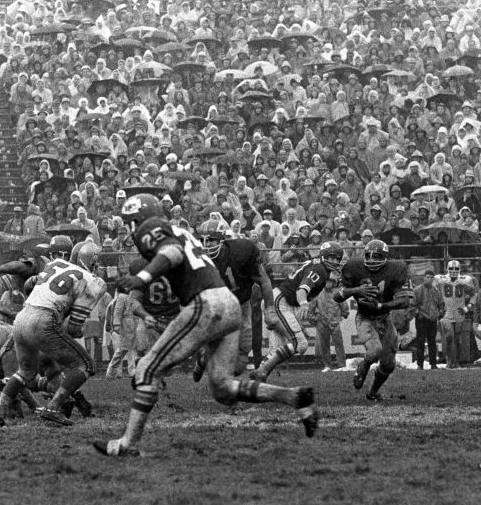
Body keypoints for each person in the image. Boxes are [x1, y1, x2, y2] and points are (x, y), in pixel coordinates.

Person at [94, 194, 317, 457]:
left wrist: (143, 277)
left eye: (131, 222)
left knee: (145, 368)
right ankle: (295, 397)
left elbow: (172, 253)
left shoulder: (151, 229)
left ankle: (127, 444)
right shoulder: (179, 231)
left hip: (206, 304)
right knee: (222, 388)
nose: (131, 229)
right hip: (229, 304)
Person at [0, 240, 108, 427]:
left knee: (25, 372)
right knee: (85, 365)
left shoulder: (54, 264)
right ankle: (53, 408)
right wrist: (77, 328)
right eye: (95, 262)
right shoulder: (93, 282)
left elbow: (29, 284)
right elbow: (74, 328)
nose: (97, 267)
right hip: (44, 320)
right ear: (90, 261)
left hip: (22, 317)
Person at [335, 239, 413, 401]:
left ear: (385, 258)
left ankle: (372, 393)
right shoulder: (354, 267)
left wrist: (381, 306)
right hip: (365, 318)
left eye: (376, 256)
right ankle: (362, 367)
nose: (371, 260)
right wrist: (357, 289)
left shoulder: (395, 269)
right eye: (368, 256)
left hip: (384, 318)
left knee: (388, 364)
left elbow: (405, 301)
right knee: (374, 351)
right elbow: (337, 295)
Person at [254, 240, 343, 380]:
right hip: (281, 301)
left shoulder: (319, 266)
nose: (335, 261)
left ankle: (260, 373)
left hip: (282, 301)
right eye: (332, 257)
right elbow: (301, 291)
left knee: (281, 346)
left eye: (337, 258)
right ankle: (262, 371)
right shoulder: (319, 269)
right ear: (324, 256)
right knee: (300, 344)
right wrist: (304, 304)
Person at [202, 223, 275, 376]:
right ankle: (203, 360)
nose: (208, 244)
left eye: (212, 240)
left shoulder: (241, 252)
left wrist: (269, 309)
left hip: (242, 304)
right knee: (217, 345)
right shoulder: (198, 258)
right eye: (205, 240)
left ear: (222, 240)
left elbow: (264, 280)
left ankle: (210, 363)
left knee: (242, 356)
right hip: (217, 305)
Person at [435, 260, 476, 368]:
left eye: (456, 269)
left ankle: (456, 361)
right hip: (447, 312)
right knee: (449, 337)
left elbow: (474, 295)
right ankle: (449, 361)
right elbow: (434, 291)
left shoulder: (464, 280)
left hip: (459, 312)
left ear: (459, 270)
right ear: (447, 269)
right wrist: (438, 307)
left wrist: (467, 309)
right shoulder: (442, 279)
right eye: (451, 269)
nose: (453, 271)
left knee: (457, 339)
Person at [411, 271, 445, 370]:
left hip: (433, 320)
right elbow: (413, 306)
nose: (429, 279)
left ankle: (433, 364)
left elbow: (441, 305)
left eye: (431, 277)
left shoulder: (437, 291)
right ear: (424, 278)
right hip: (421, 320)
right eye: (427, 277)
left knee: (432, 342)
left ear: (433, 279)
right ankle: (420, 365)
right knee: (420, 342)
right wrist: (419, 314)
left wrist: (438, 314)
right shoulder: (417, 290)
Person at [309, 286, 347, 371]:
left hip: (335, 322)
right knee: (324, 345)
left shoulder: (337, 292)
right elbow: (311, 308)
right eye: (327, 281)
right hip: (322, 323)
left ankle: (342, 365)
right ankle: (327, 366)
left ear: (333, 282)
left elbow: (344, 305)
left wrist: (344, 314)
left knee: (339, 343)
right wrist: (315, 319)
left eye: (331, 281)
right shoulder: (317, 293)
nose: (328, 283)